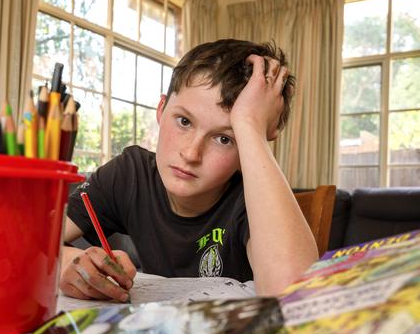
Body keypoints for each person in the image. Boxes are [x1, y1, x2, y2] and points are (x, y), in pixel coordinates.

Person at [59, 39, 318, 302]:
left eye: (224, 139)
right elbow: (31, 244)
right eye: (184, 121)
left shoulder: (250, 200)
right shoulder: (129, 174)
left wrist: (250, 125)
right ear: (161, 109)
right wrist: (69, 262)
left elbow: (298, 296)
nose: (191, 154)